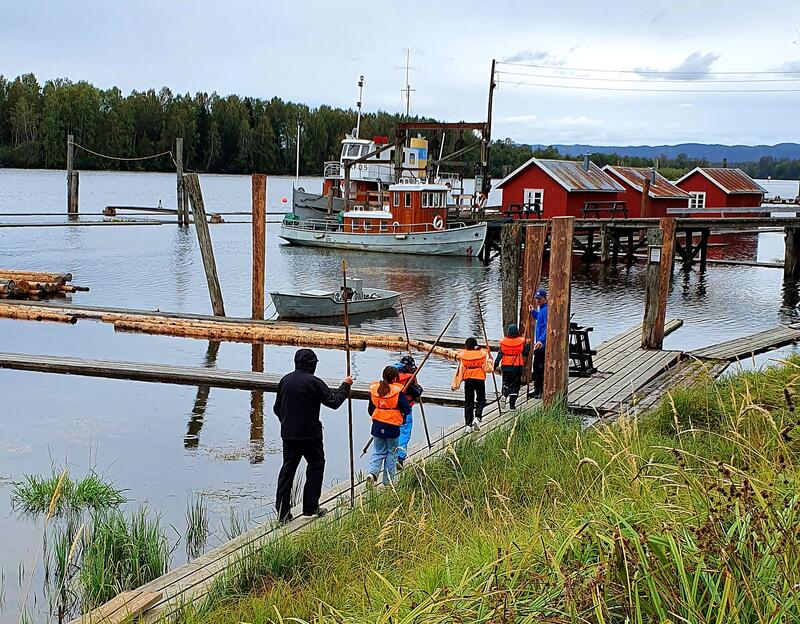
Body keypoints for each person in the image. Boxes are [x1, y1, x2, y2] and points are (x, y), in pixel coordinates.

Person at [273, 348, 353, 524]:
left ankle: (282, 514)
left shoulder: (285, 380)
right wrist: (345, 385)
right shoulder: (314, 382)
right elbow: (334, 402)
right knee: (316, 465)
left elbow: (276, 409)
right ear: (312, 365)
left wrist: (287, 422)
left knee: (287, 471)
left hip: (288, 434)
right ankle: (310, 507)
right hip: (310, 435)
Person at [366, 366, 411, 486]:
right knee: (392, 452)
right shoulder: (397, 392)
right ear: (395, 378)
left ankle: (372, 473)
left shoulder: (376, 390)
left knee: (378, 451)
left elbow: (370, 409)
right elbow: (406, 409)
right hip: (392, 426)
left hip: (377, 425)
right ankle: (388, 481)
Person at [392, 355, 423, 469]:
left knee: (393, 432)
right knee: (405, 432)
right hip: (406, 408)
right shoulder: (409, 377)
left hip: (392, 408)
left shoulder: (391, 374)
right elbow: (415, 391)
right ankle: (400, 457)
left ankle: (390, 457)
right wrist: (419, 390)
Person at [456, 337, 491, 432]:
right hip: (479, 378)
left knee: (468, 402)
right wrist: (490, 359)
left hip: (468, 379)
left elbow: (461, 369)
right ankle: (477, 417)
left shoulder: (464, 355)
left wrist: (456, 384)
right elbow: (488, 369)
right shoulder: (482, 354)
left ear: (466, 346)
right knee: (481, 399)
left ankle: (468, 425)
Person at [494, 323, 530, 410]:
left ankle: (505, 394)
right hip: (517, 366)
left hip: (506, 366)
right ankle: (512, 406)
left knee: (506, 383)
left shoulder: (504, 343)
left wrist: (495, 364)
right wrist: (528, 345)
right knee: (515, 385)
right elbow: (525, 353)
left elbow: (500, 355)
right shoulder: (521, 342)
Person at [528, 288, 548, 399]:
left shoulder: (547, 310)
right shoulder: (541, 309)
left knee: (540, 368)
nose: (537, 301)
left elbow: (547, 327)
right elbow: (539, 320)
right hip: (538, 343)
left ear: (545, 298)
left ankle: (541, 390)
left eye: (539, 299)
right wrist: (533, 312)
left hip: (542, 344)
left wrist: (541, 340)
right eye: (536, 299)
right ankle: (537, 389)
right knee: (536, 367)